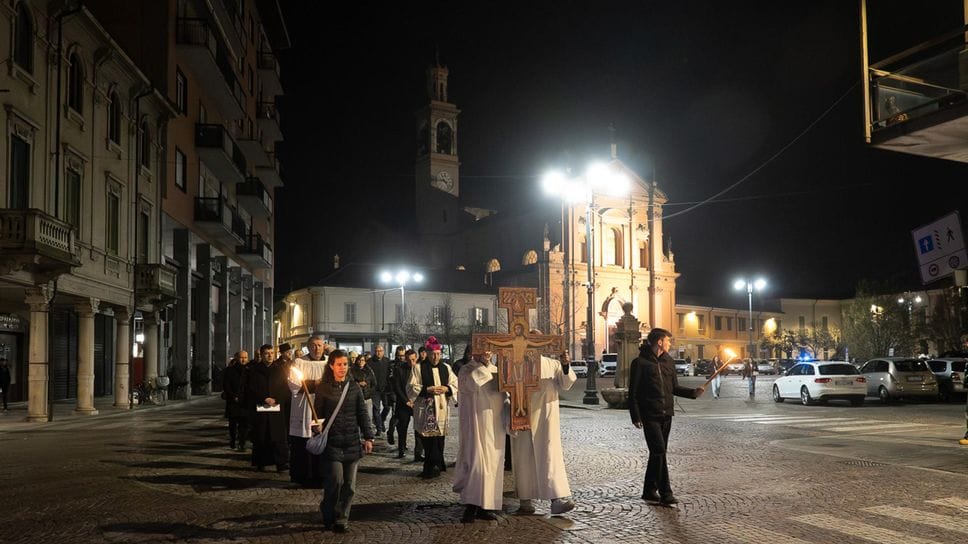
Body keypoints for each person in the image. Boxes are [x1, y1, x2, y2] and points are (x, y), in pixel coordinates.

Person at [628, 328, 705, 505]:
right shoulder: (639, 363)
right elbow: (633, 393)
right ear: (659, 342)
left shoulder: (668, 361)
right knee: (659, 451)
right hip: (650, 415)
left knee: (657, 454)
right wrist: (636, 416)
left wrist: (694, 392)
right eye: (668, 340)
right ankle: (665, 492)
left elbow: (674, 388)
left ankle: (649, 490)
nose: (670, 343)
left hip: (666, 413)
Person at [312, 349, 374, 533]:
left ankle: (341, 518)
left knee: (350, 486)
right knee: (336, 482)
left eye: (345, 364)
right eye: (338, 364)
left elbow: (362, 413)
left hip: (352, 442)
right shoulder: (323, 388)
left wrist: (368, 436)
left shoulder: (354, 387)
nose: (342, 368)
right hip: (333, 443)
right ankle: (328, 511)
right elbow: (318, 416)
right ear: (331, 365)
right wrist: (317, 426)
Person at [510, 350, 577, 516]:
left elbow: (566, 383)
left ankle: (556, 500)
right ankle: (525, 501)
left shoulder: (552, 364)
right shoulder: (516, 364)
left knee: (549, 456)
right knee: (523, 457)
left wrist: (566, 364)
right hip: (522, 415)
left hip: (547, 418)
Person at [453, 349, 506, 522]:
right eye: (484, 350)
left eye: (490, 350)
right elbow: (470, 385)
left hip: (494, 425)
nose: (487, 353)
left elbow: (506, 395)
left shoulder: (498, 370)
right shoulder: (466, 370)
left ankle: (486, 506)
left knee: (492, 465)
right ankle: (471, 506)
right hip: (475, 424)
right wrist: (483, 366)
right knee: (476, 463)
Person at [408, 336, 458, 479]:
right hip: (426, 408)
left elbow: (455, 383)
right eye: (433, 354)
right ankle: (430, 467)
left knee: (440, 438)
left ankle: (439, 464)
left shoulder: (446, 368)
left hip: (441, 407)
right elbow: (411, 387)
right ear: (427, 354)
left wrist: (447, 388)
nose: (436, 357)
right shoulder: (418, 368)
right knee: (428, 439)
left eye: (438, 354)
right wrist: (427, 389)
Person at [288, 337, 327, 486]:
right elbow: (293, 383)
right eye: (313, 346)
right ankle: (302, 476)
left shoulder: (328, 362)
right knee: (302, 444)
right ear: (308, 347)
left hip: (323, 407)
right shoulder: (299, 362)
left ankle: (322, 476)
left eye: (319, 345)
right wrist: (314, 383)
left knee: (322, 440)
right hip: (304, 407)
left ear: (323, 346)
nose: (317, 349)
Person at [246, 344, 289, 472]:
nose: (270, 355)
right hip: (261, 407)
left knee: (278, 437)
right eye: (266, 353)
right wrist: (264, 398)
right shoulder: (254, 370)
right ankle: (261, 462)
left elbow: (285, 388)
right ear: (261, 355)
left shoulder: (280, 369)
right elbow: (251, 388)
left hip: (276, 407)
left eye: (271, 353)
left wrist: (276, 399)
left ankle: (281, 463)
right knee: (261, 436)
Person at [392, 348, 423, 460]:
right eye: (409, 360)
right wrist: (406, 401)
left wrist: (415, 400)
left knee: (418, 428)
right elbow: (397, 387)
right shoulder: (399, 369)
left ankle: (418, 452)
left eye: (414, 360)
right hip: (403, 403)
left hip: (416, 403)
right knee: (402, 428)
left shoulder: (420, 369)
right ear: (405, 359)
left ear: (416, 358)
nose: (412, 362)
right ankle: (401, 450)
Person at [223, 351, 250, 450]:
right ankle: (233, 440)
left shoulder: (249, 370)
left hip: (245, 402)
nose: (243, 359)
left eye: (245, 357)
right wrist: (233, 396)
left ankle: (242, 443)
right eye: (241, 357)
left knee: (244, 424)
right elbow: (226, 385)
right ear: (236, 358)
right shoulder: (230, 371)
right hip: (233, 402)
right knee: (233, 424)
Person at [385, 346, 407, 447]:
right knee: (396, 416)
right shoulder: (392, 365)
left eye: (403, 355)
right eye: (399, 355)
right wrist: (391, 393)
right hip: (394, 393)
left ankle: (402, 442)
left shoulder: (407, 364)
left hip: (404, 394)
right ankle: (391, 431)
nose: (401, 357)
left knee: (402, 420)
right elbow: (390, 379)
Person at [351, 353, 377, 435]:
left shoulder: (369, 371)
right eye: (359, 360)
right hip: (356, 398)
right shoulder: (352, 371)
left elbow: (374, 383)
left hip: (367, 397)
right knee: (357, 417)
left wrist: (369, 391)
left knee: (368, 417)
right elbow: (350, 383)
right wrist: (358, 384)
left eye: (362, 360)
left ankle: (368, 435)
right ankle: (357, 434)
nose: (361, 362)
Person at [368, 344, 390, 438]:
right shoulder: (370, 362)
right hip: (375, 389)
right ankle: (379, 428)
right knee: (376, 409)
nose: (378, 353)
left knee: (387, 407)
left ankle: (381, 420)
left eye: (380, 351)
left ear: (383, 352)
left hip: (385, 389)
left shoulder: (387, 361)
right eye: (377, 351)